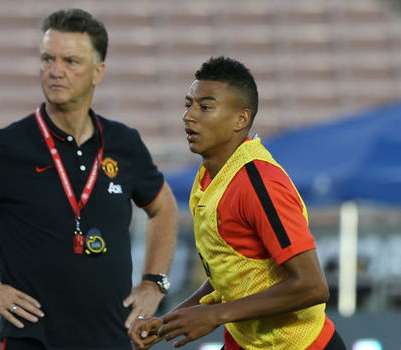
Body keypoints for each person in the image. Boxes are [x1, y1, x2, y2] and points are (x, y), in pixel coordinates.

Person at [0, 8, 178, 350]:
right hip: (34, 341)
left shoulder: (124, 143)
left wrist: (154, 283)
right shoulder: (8, 147)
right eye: (47, 58)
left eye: (70, 61)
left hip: (112, 337)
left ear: (98, 72)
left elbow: (163, 206)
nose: (55, 71)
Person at [129, 57, 346, 350]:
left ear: (241, 119)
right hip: (248, 341)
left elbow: (312, 286)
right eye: (188, 104)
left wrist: (215, 315)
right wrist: (168, 322)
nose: (188, 116)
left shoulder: (259, 183)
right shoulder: (209, 176)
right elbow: (228, 277)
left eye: (205, 107)